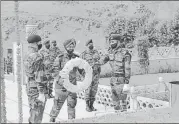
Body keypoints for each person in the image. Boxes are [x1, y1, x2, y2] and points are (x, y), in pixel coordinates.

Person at [49, 38, 82, 122]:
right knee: (57, 106)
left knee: (72, 105)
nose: (71, 47)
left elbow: (81, 69)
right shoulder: (60, 58)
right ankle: (52, 119)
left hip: (72, 85)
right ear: (66, 47)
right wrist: (60, 81)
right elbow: (54, 72)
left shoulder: (76, 57)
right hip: (61, 87)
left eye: (72, 46)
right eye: (69, 46)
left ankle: (71, 121)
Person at [100, 33, 132, 111]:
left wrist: (126, 80)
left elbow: (127, 67)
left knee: (122, 100)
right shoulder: (110, 51)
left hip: (121, 78)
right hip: (113, 78)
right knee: (115, 100)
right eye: (110, 41)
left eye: (113, 41)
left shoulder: (125, 53)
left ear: (118, 42)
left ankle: (124, 116)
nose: (111, 43)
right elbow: (102, 61)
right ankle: (117, 115)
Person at [24, 34, 47, 123]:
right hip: (37, 89)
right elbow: (39, 76)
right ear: (34, 44)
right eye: (39, 42)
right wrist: (41, 93)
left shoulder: (27, 55)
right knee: (37, 116)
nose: (40, 44)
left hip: (30, 87)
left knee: (33, 112)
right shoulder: (37, 56)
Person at [80, 39, 101, 112]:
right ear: (87, 45)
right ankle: (87, 106)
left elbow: (99, 62)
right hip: (87, 76)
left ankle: (91, 105)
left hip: (95, 75)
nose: (91, 45)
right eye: (89, 44)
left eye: (91, 43)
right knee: (87, 91)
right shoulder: (83, 54)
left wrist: (98, 73)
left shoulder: (96, 52)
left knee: (94, 91)